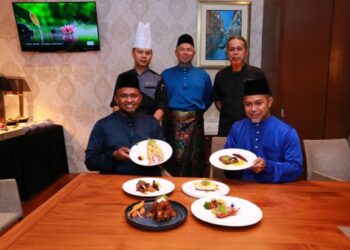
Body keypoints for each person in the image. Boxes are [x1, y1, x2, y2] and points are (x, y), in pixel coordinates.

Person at [224, 78, 303, 183]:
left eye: (258, 103)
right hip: (241, 188)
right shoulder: (237, 128)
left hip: (275, 190)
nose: (253, 109)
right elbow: (226, 164)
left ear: (269, 102)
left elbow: (296, 169)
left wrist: (267, 166)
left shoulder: (287, 132)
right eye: (248, 104)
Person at [85, 72, 164, 175]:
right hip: (113, 183)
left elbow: (162, 154)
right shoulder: (102, 125)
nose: (129, 100)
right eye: (124, 96)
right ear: (116, 99)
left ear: (140, 99)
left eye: (133, 96)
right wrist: (114, 155)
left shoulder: (152, 123)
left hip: (147, 183)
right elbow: (90, 162)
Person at [161, 34, 213, 177]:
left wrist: (193, 114)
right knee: (171, 160)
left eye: (189, 49)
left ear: (194, 53)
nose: (185, 52)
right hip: (171, 124)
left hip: (195, 124)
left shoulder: (203, 75)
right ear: (176, 52)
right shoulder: (166, 74)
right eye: (182, 49)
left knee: (194, 162)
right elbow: (161, 100)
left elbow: (208, 98)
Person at [110, 22, 167, 122]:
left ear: (151, 55)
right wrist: (121, 124)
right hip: (125, 125)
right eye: (140, 52)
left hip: (149, 125)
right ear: (133, 53)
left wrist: (151, 124)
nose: (144, 56)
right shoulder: (123, 77)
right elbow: (115, 105)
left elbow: (161, 106)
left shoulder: (158, 78)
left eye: (148, 53)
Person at [213, 36, 266, 136]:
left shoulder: (257, 74)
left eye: (239, 49)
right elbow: (218, 102)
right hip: (227, 129)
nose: (235, 53)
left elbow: (264, 102)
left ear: (246, 52)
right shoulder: (220, 75)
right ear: (227, 53)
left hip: (252, 128)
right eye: (232, 49)